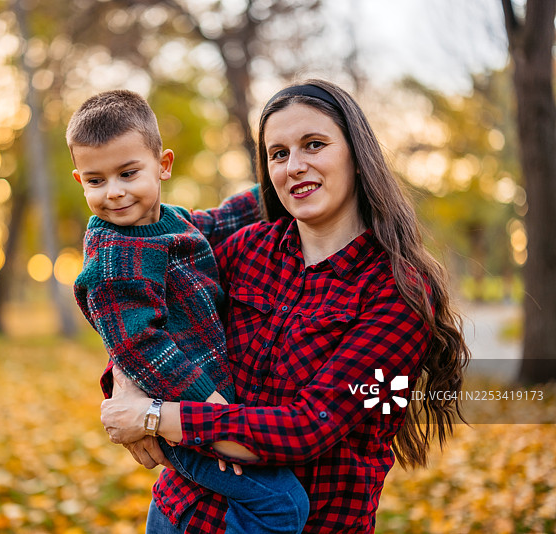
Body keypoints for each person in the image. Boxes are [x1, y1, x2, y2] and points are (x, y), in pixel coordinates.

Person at [100, 79, 470, 533]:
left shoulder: (398, 291)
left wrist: (153, 417)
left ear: (357, 155)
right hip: (180, 514)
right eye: (278, 153)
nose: (294, 166)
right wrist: (124, 385)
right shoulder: (246, 249)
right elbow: (156, 313)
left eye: (314, 144)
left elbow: (307, 428)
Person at [68, 90, 310, 533]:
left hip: (203, 412)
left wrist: (277, 183)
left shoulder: (169, 223)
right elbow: (139, 344)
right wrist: (212, 412)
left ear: (163, 165)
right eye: (96, 180)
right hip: (183, 417)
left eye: (128, 173)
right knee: (283, 504)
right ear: (79, 180)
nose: (114, 192)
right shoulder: (114, 257)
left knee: (265, 500)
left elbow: (218, 222)